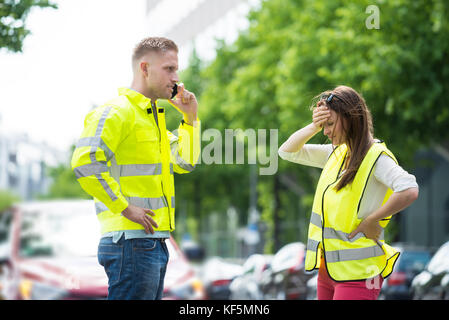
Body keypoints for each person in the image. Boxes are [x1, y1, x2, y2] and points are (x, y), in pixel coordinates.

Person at [71, 37, 200, 300]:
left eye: (176, 69)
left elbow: (185, 162)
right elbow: (85, 162)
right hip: (131, 242)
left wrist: (190, 119)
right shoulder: (116, 112)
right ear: (145, 68)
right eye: (169, 69)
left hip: (152, 242)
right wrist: (125, 208)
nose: (176, 77)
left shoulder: (152, 120)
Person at [278, 85, 419, 300]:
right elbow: (287, 151)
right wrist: (314, 126)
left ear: (351, 118)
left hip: (360, 273)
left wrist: (373, 220)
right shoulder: (337, 153)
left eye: (331, 124)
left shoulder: (376, 157)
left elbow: (409, 189)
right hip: (329, 270)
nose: (326, 132)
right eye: (324, 126)